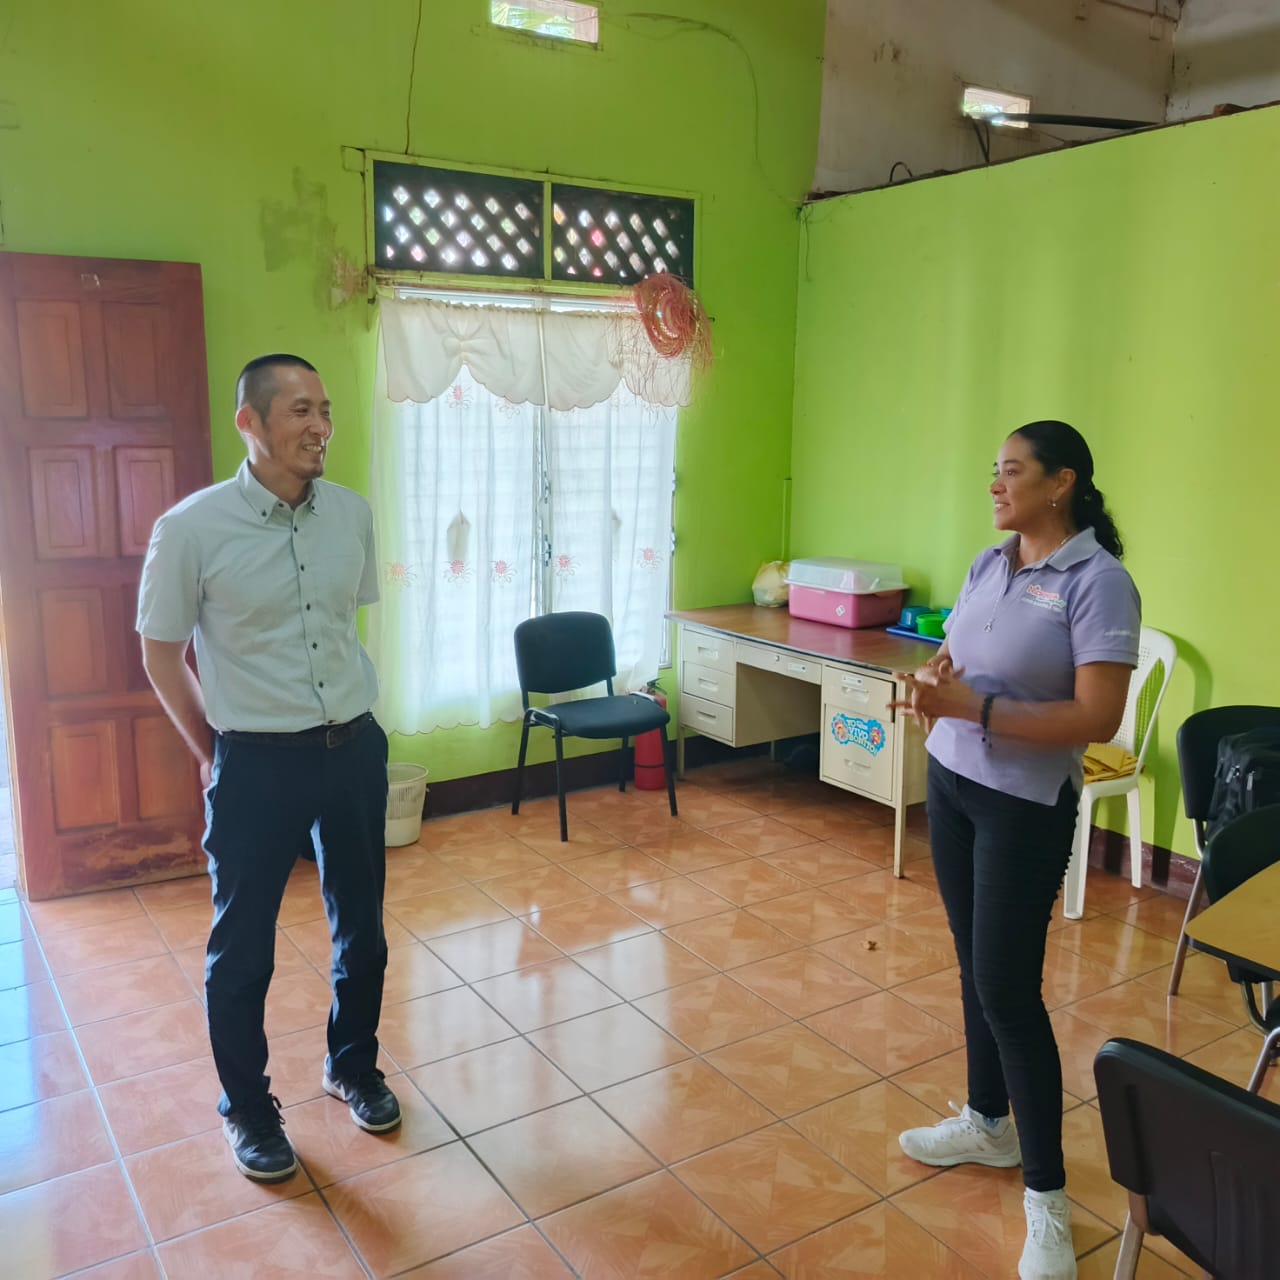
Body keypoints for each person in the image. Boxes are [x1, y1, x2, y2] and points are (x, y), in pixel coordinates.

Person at [137, 354, 398, 1182]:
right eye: (299, 411)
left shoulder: (351, 514)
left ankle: (352, 1064)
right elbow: (159, 652)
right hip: (254, 759)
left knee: (363, 929)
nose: (320, 426)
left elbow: (341, 628)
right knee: (243, 947)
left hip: (352, 747)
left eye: (325, 409)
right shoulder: (191, 528)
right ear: (249, 422)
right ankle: (247, 1107)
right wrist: (215, 753)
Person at [892, 421, 1140, 1280]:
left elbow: (1096, 718)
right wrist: (932, 683)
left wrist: (976, 710)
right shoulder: (988, 563)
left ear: (1061, 482)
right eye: (993, 471)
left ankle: (1047, 1200)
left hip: (1024, 806)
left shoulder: (1099, 583)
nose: (995, 485)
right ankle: (987, 1124)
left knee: (1007, 989)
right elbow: (954, 654)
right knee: (975, 967)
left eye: (1011, 471)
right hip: (953, 784)